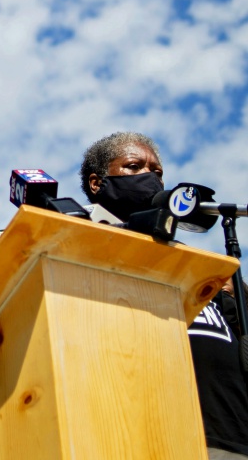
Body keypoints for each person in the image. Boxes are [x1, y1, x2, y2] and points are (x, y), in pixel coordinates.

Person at [80, 131, 248, 459]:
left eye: (157, 172)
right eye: (133, 166)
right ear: (98, 183)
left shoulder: (205, 268)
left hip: (233, 435)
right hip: (155, 434)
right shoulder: (81, 242)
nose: (150, 177)